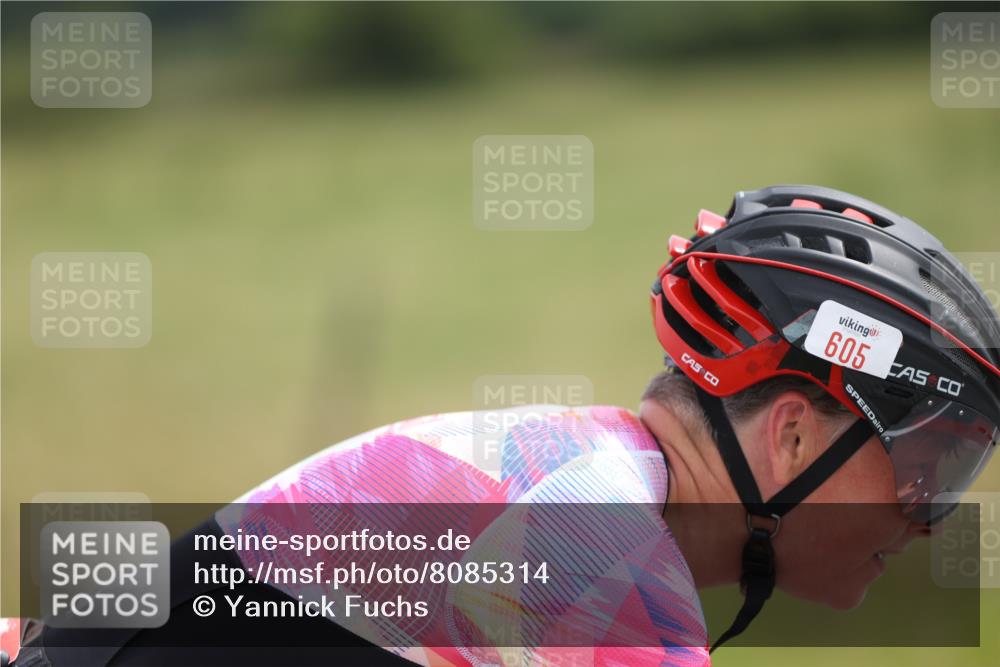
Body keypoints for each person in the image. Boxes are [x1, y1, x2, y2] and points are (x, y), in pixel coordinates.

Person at [8, 185, 999, 667]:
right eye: (927, 472)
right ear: (791, 437)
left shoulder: (585, 474)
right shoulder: (591, 549)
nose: (926, 519)